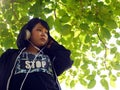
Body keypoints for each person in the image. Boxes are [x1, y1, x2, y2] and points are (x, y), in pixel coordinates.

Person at [0, 17, 73, 90]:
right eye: (39, 30)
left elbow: (66, 61)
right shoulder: (10, 55)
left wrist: (52, 44)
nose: (43, 34)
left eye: (46, 32)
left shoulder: (50, 58)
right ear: (27, 33)